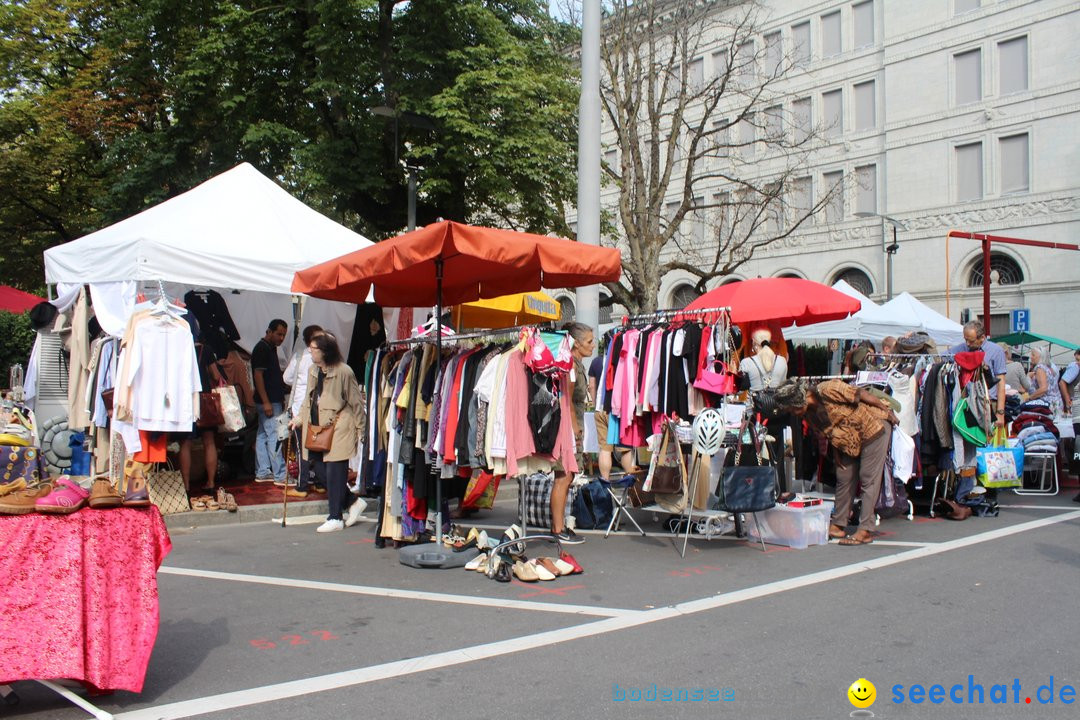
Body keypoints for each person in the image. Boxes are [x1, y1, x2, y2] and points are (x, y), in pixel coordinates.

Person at [774, 378, 899, 546]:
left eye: (792, 409)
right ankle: (838, 525)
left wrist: (886, 411)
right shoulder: (809, 413)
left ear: (798, 400)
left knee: (868, 477)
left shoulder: (828, 388)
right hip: (849, 441)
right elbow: (830, 433)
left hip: (873, 427)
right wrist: (837, 456)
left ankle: (865, 530)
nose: (793, 413)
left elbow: (861, 394)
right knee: (844, 474)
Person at [291, 334, 367, 533]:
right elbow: (308, 399)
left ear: (325, 351)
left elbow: (356, 403)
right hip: (317, 427)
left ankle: (335, 517)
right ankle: (352, 500)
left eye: (314, 349)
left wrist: (362, 430)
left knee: (335, 471)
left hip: (341, 425)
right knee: (317, 467)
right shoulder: (313, 370)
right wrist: (298, 418)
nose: (310, 351)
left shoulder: (344, 372)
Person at [551, 322, 593, 544]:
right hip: (567, 428)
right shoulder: (571, 366)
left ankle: (558, 526)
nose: (593, 345)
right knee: (563, 476)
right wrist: (574, 428)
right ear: (576, 343)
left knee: (568, 476)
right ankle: (557, 529)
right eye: (589, 341)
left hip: (572, 426)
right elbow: (565, 399)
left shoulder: (577, 364)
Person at [740, 328, 790, 488]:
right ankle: (778, 488)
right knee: (777, 454)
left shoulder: (747, 363)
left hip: (754, 417)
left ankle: (752, 487)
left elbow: (741, 388)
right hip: (777, 415)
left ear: (754, 344)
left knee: (751, 454)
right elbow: (782, 386)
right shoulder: (782, 361)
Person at [179, 335, 226, 495]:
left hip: (185, 399)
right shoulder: (205, 350)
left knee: (185, 443)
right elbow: (215, 375)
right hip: (204, 399)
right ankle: (211, 482)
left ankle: (186, 485)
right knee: (209, 442)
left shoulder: (179, 346)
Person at [282, 325, 324, 497]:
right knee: (319, 445)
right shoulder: (324, 358)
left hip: (301, 407)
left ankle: (302, 485)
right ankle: (319, 483)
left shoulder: (300, 356)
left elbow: (286, 378)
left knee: (302, 448)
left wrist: (299, 384)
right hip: (319, 407)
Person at [588, 335, 637, 480]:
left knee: (605, 449)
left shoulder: (596, 362)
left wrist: (594, 402)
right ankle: (631, 483)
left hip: (600, 408)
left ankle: (605, 482)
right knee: (625, 448)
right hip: (617, 409)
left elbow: (592, 385)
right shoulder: (621, 358)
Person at [949, 321, 1008, 430]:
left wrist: (1000, 413)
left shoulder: (996, 351)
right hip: (966, 404)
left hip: (988, 404)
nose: (967, 344)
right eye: (965, 339)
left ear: (982, 338)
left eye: (971, 340)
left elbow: (1001, 383)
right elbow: (937, 357)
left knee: (987, 441)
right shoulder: (960, 349)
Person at [252, 319, 289, 484]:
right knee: (275, 434)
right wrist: (266, 401)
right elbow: (258, 375)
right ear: (269, 331)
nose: (281, 338)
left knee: (263, 435)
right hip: (268, 400)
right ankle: (280, 474)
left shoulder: (269, 348)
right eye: (279, 334)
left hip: (269, 399)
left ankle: (263, 471)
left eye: (283, 335)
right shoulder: (262, 349)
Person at [1057, 349, 1080, 503]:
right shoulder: (1077, 370)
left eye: (1079, 360)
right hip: (1077, 417)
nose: (1077, 363)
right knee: (1078, 451)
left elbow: (1062, 382)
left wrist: (1067, 401)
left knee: (1078, 451)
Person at [1027, 346, 1062, 416]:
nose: (1031, 357)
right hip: (1056, 402)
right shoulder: (1049, 367)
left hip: (1046, 403)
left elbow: (1043, 388)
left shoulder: (1040, 368)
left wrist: (1029, 398)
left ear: (1040, 356)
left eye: (1033, 355)